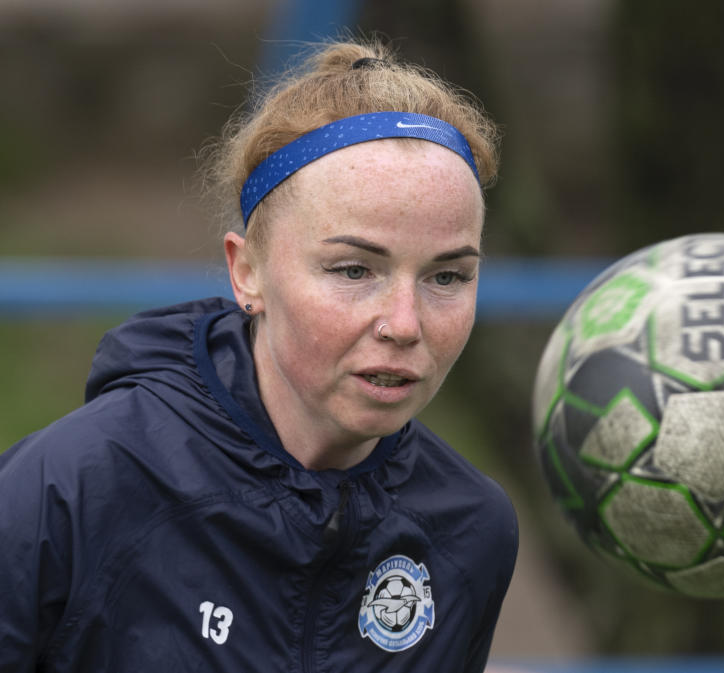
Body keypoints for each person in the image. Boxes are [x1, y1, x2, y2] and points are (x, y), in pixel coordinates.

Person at [0, 39, 518, 672]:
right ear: (246, 271)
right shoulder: (68, 490)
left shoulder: (472, 530)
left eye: (447, 277)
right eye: (355, 270)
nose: (404, 325)